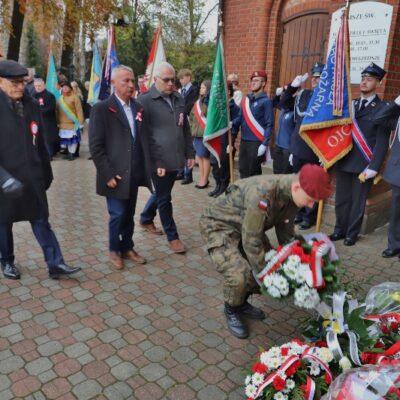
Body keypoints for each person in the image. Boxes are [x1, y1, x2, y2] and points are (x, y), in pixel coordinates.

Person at [200, 164, 332, 339]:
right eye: (309, 200)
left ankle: (241, 302)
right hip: (219, 226)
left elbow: (286, 231)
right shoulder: (262, 194)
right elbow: (251, 241)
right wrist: (266, 274)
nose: (310, 206)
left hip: (247, 227)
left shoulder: (292, 195)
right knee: (240, 274)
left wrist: (300, 260)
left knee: (271, 264)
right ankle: (231, 308)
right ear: (297, 187)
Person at [0, 59, 81, 280]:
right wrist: (3, 179)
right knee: (4, 223)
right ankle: (7, 261)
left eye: (22, 82)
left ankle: (56, 263)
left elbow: (40, 139)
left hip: (31, 176)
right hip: (5, 181)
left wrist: (46, 172)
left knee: (40, 219)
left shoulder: (31, 104)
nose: (19, 87)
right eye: (13, 82)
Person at [89, 65, 152, 270]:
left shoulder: (138, 108)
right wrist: (106, 173)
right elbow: (96, 146)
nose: (131, 85)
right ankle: (114, 249)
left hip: (133, 172)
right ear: (114, 83)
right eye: (126, 81)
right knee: (117, 213)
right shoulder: (102, 109)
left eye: (132, 80)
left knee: (129, 214)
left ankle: (127, 246)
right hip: (114, 173)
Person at [330, 63, 391, 246]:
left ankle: (351, 233)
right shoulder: (351, 105)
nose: (364, 82)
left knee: (357, 202)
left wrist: (374, 167)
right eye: (363, 79)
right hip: (345, 159)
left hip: (363, 164)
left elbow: (382, 142)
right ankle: (339, 229)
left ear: (378, 83)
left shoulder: (382, 108)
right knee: (341, 199)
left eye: (369, 79)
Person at [138, 62, 195, 254]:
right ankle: (173, 237)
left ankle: (146, 218)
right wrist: (156, 161)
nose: (171, 83)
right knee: (165, 197)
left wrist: (190, 153)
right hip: (158, 160)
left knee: (162, 192)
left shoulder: (179, 98)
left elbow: (184, 128)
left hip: (176, 157)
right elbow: (143, 136)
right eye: (166, 80)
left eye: (173, 79)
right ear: (155, 80)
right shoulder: (145, 101)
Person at [280, 62, 324, 230]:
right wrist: (292, 87)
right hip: (298, 146)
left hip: (316, 148)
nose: (315, 80)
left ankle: (309, 216)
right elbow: (284, 104)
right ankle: (298, 212)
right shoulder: (303, 94)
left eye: (319, 77)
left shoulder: (328, 100)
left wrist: (325, 152)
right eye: (313, 77)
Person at [369, 95, 400, 259]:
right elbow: (378, 118)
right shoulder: (397, 117)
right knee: (396, 210)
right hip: (398, 171)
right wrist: (396, 103)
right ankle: (394, 245)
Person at [233, 71, 274, 179]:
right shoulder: (246, 100)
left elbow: (269, 124)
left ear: (263, 83)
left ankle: (254, 195)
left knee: (253, 172)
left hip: (256, 142)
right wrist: (231, 123)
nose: (253, 83)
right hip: (244, 140)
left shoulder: (266, 102)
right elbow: (240, 118)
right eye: (252, 80)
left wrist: (264, 144)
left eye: (256, 80)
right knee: (243, 170)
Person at [209, 80, 241, 197]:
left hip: (226, 142)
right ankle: (217, 186)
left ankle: (223, 187)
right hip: (217, 140)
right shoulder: (219, 106)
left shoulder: (233, 107)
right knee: (216, 166)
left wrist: (231, 142)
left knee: (224, 167)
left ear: (228, 92)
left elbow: (237, 123)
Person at [177, 68, 198, 185]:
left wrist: (182, 110)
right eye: (179, 78)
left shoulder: (194, 90)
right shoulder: (180, 91)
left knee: (188, 148)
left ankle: (188, 175)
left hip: (189, 122)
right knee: (180, 147)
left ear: (189, 77)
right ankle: (180, 172)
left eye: (182, 78)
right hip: (180, 122)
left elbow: (191, 105)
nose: (180, 80)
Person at [190, 80, 211, 189]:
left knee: (205, 157)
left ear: (208, 89)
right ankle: (202, 177)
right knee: (199, 156)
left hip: (205, 134)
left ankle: (205, 179)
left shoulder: (209, 102)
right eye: (201, 87)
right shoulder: (197, 102)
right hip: (197, 134)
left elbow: (210, 117)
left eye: (203, 87)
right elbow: (192, 116)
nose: (201, 89)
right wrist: (191, 129)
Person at [56, 81, 84, 161]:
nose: (64, 88)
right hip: (63, 124)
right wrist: (57, 122)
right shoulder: (59, 99)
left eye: (66, 87)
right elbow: (57, 111)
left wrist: (81, 122)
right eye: (63, 87)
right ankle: (69, 153)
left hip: (73, 123)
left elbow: (79, 111)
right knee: (66, 140)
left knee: (73, 140)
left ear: (70, 88)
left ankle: (72, 153)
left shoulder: (75, 97)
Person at [271, 85, 296, 174]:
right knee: (276, 172)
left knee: (285, 174)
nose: (284, 95)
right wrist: (277, 96)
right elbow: (274, 103)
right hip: (278, 146)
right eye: (284, 93)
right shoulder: (284, 108)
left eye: (286, 93)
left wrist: (294, 151)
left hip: (288, 149)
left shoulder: (295, 111)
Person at [33, 78, 59, 160]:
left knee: (48, 138)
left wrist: (39, 111)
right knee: (38, 138)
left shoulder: (50, 95)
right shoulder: (33, 95)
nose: (37, 87)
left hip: (48, 121)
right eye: (36, 86)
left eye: (39, 86)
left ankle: (49, 155)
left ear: (43, 85)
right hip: (36, 121)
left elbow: (51, 108)